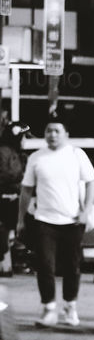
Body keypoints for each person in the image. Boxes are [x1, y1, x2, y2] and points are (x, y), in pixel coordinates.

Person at [16, 119, 94, 328]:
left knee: (72, 266)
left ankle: (70, 306)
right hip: (44, 220)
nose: (52, 134)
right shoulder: (36, 157)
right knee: (45, 265)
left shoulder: (76, 154)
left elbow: (92, 182)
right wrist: (20, 219)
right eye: (48, 131)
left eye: (57, 131)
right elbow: (26, 190)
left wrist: (86, 211)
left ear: (66, 134)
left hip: (72, 220)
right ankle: (49, 308)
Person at [0, 119, 26, 277]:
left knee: (8, 232)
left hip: (12, 197)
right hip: (6, 198)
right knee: (5, 231)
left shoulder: (15, 153)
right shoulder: (6, 153)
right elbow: (8, 175)